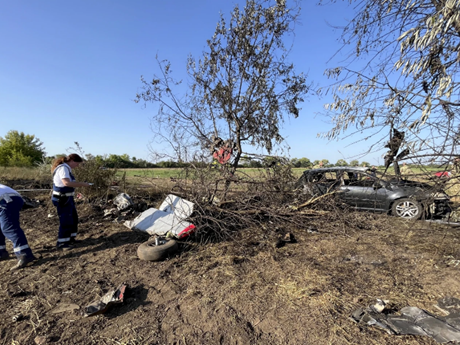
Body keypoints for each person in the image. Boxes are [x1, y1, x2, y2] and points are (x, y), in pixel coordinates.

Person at [51, 154, 91, 250]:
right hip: (62, 199)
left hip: (68, 198)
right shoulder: (63, 168)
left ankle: (70, 238)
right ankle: (62, 243)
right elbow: (66, 183)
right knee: (66, 220)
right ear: (72, 160)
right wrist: (81, 184)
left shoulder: (66, 168)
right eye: (77, 164)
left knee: (73, 218)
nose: (77, 166)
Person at [0, 184, 37, 270]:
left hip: (6, 199)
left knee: (8, 228)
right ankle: (1, 252)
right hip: (12, 197)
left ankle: (25, 255)